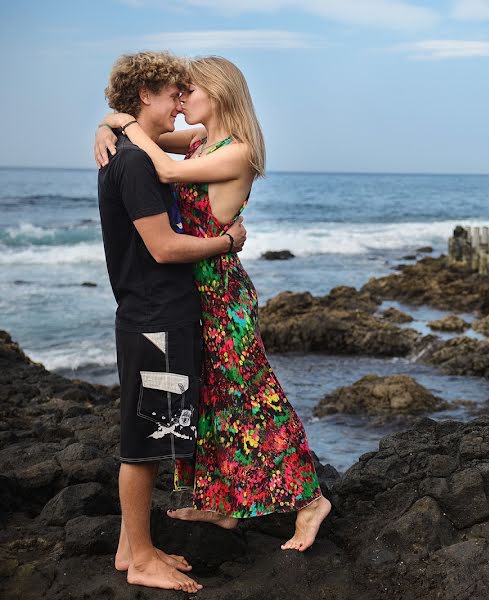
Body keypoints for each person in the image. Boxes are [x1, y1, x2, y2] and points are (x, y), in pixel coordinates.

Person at [95, 55, 331, 553]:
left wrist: (122, 123)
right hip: (191, 290)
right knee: (208, 401)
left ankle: (310, 500)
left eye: (190, 91)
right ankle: (221, 501)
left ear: (218, 93)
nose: (182, 101)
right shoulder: (202, 141)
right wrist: (109, 121)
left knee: (251, 397)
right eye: (177, 93)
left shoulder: (238, 152)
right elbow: (150, 139)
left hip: (221, 292)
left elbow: (159, 164)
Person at [98, 51, 248, 592]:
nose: (179, 103)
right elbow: (163, 248)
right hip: (156, 317)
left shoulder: (134, 150)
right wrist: (226, 242)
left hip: (152, 314)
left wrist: (111, 122)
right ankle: (140, 559)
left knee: (153, 433)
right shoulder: (136, 163)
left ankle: (129, 547)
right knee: (147, 441)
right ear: (146, 96)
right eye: (172, 94)